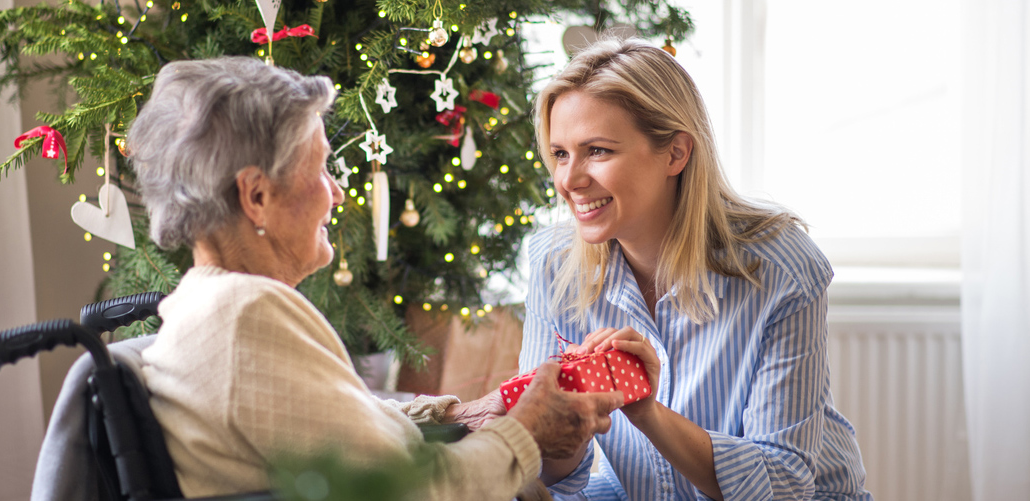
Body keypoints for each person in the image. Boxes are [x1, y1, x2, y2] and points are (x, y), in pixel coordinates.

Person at [125, 56, 624, 500]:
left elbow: (341, 428)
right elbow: (411, 490)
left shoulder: (206, 307)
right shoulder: (244, 315)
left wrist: (460, 416)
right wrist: (526, 433)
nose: (336, 194)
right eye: (320, 170)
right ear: (256, 196)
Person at [519, 38, 873, 500]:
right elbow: (555, 472)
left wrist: (648, 412)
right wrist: (555, 428)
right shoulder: (554, 265)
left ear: (676, 153)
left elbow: (784, 483)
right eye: (561, 153)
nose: (569, 180)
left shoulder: (781, 268)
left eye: (598, 151)